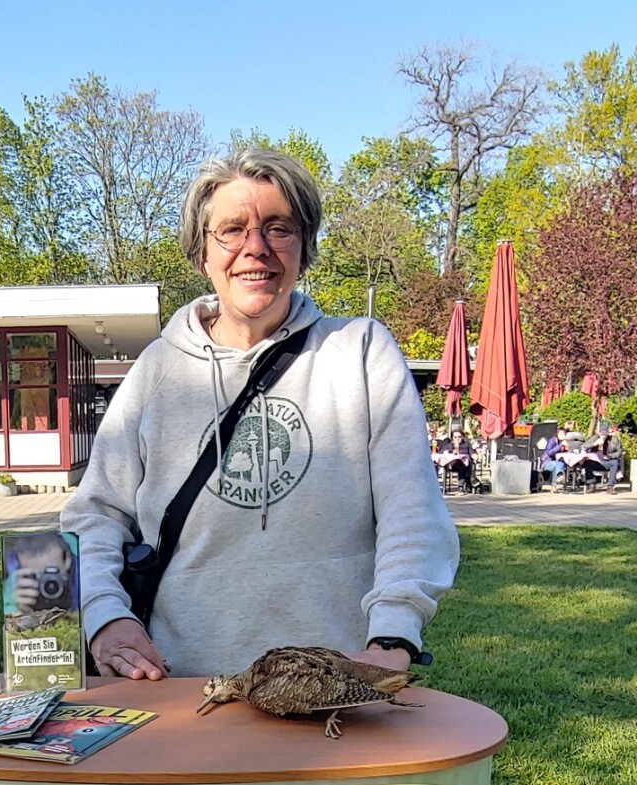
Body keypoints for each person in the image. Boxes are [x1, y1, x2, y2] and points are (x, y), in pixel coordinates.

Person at [61, 148, 459, 680]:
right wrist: (105, 618)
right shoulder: (157, 369)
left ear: (304, 247)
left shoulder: (361, 352)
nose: (256, 248)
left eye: (278, 228)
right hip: (181, 688)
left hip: (333, 684)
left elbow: (412, 511)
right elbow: (94, 516)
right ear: (202, 252)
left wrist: (392, 634)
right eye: (232, 229)